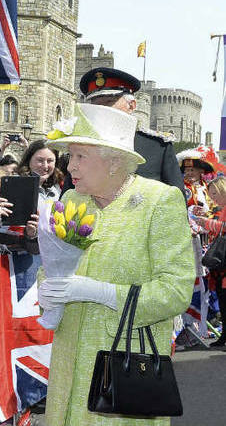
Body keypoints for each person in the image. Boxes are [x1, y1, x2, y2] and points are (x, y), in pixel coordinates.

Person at [38, 103, 196, 425]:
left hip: (125, 374)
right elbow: (51, 266)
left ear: (113, 162)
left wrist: (100, 292)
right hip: (68, 365)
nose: (70, 167)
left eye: (81, 156)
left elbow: (176, 291)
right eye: (70, 156)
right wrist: (47, 291)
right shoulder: (70, 201)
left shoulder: (160, 202)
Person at [73, 67, 184, 193]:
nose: (102, 110)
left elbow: (177, 201)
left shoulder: (157, 147)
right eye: (96, 105)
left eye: (109, 102)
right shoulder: (82, 147)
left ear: (131, 106)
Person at [192, 176, 226, 346]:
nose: (212, 197)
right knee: (222, 298)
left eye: (214, 193)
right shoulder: (222, 208)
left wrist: (206, 222)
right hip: (221, 265)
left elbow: (223, 228)